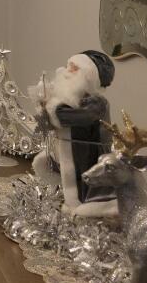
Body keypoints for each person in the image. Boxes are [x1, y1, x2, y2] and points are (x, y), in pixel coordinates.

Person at [32, 50, 117, 217]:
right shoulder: (70, 98)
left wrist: (51, 106)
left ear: (89, 77)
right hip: (69, 151)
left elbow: (72, 117)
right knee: (66, 180)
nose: (67, 70)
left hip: (89, 155)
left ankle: (85, 216)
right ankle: (70, 207)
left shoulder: (97, 103)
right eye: (68, 65)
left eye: (75, 68)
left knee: (84, 188)